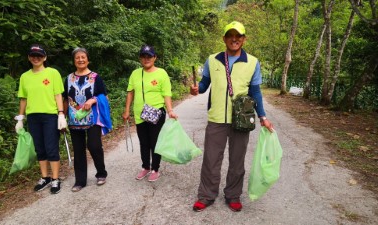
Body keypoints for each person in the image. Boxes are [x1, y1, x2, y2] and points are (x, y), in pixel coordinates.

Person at [189, 21, 274, 212]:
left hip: (241, 119)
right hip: (216, 118)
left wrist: (263, 117)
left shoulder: (252, 62)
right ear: (224, 39)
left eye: (238, 36)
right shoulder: (213, 59)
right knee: (211, 159)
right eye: (230, 35)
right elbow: (204, 84)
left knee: (237, 160)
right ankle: (206, 195)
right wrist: (197, 90)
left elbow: (256, 92)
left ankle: (233, 195)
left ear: (244, 39)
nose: (234, 39)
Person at [15, 44, 67, 194]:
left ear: (44, 57)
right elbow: (23, 99)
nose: (36, 58)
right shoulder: (25, 76)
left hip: (50, 115)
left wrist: (61, 113)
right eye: (33, 55)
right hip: (33, 116)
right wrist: (20, 118)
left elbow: (58, 94)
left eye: (39, 55)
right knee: (40, 148)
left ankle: (56, 178)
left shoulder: (52, 73)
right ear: (29, 58)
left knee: (51, 148)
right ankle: (45, 177)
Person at [122, 44, 178, 182]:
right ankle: (145, 167)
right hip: (140, 113)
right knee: (144, 142)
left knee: (155, 142)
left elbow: (166, 94)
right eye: (143, 56)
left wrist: (170, 110)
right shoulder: (135, 74)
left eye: (149, 56)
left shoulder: (161, 73)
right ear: (140, 58)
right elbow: (130, 92)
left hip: (156, 112)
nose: (146, 59)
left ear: (155, 57)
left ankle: (155, 169)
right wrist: (127, 110)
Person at [63, 47, 112, 192]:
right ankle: (80, 181)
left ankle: (101, 173)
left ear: (88, 59)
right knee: (78, 150)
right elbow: (65, 99)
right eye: (77, 57)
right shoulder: (68, 78)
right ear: (74, 61)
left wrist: (93, 100)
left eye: (83, 57)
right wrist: (62, 117)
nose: (80, 60)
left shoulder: (95, 77)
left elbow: (105, 97)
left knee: (94, 146)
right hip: (74, 120)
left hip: (92, 119)